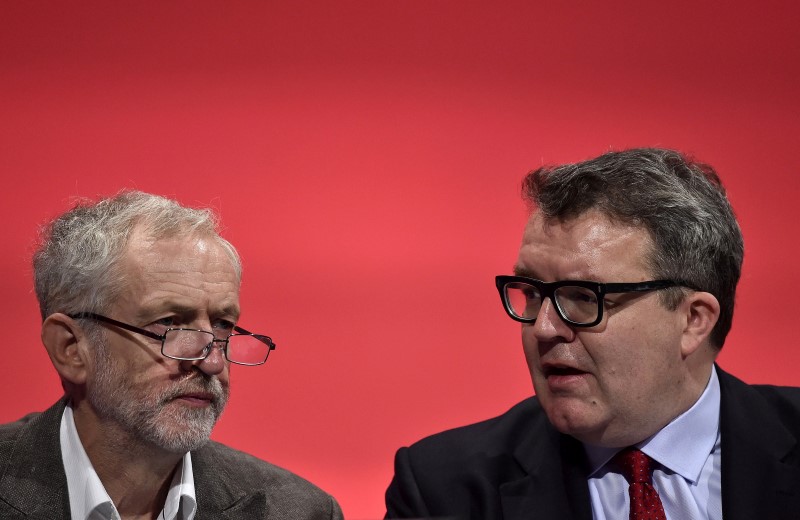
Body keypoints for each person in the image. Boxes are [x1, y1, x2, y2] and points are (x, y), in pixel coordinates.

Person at [385, 148, 800, 519]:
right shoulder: (445, 491)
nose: (543, 328)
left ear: (693, 319)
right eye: (532, 293)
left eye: (584, 297)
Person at [0, 191, 342, 519]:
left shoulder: (298, 511)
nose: (213, 362)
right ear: (70, 348)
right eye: (168, 323)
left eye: (223, 325)